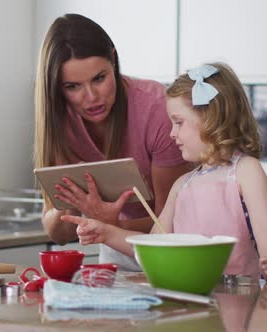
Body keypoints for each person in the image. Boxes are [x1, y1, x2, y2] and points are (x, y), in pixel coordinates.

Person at [62, 62, 267, 283]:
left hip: (240, 301)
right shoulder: (182, 185)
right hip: (190, 299)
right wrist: (106, 233)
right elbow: (154, 245)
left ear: (212, 119)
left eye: (178, 123)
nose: (172, 133)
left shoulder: (245, 171)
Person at [34, 14, 191, 271]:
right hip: (114, 250)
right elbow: (58, 234)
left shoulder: (156, 109)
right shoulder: (59, 122)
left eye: (99, 78)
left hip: (171, 252)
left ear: (114, 60)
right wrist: (74, 201)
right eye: (73, 86)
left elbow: (169, 226)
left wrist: (112, 224)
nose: (92, 97)